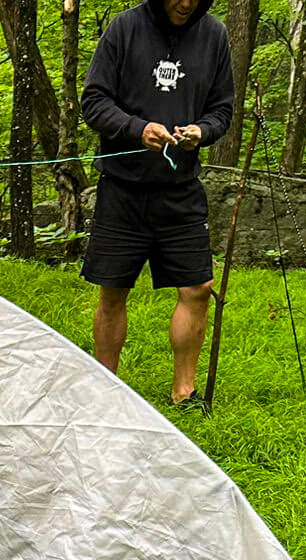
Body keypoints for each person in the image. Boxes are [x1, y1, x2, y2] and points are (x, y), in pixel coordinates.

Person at [79, 0, 236, 407]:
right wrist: (136, 129)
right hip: (122, 188)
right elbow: (94, 101)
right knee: (113, 290)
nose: (185, 3)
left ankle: (184, 391)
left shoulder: (214, 35)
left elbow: (222, 110)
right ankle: (104, 386)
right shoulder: (124, 28)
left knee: (198, 288)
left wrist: (202, 130)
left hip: (180, 189)